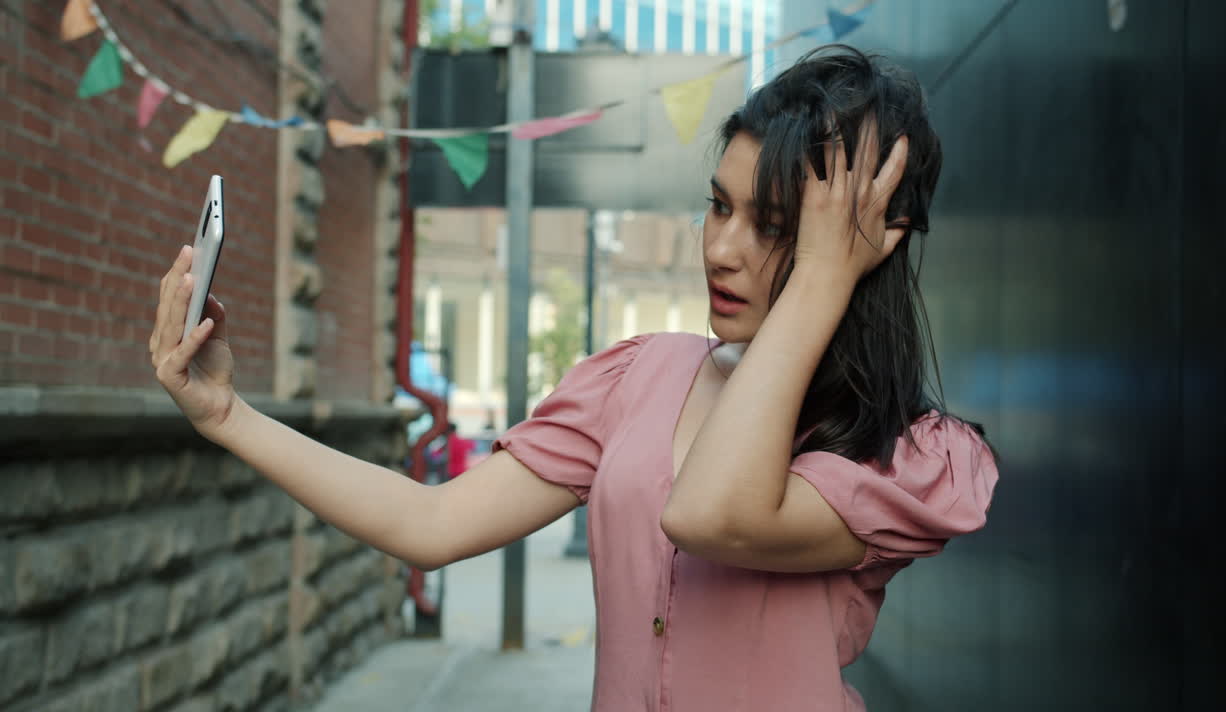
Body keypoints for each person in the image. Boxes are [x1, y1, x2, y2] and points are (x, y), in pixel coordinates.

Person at [149, 45, 997, 712]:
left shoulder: (908, 459)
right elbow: (433, 521)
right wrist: (228, 416)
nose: (721, 249)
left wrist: (821, 280)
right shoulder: (637, 375)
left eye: (772, 226)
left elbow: (712, 514)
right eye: (717, 205)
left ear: (851, 251)